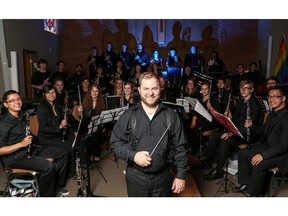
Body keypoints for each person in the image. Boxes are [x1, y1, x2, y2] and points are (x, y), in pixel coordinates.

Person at [110, 72, 189, 197]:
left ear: (160, 88)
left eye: (154, 88)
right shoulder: (129, 116)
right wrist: (133, 155)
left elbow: (181, 147)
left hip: (164, 177)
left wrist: (181, 175)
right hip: (136, 178)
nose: (150, 93)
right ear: (139, 90)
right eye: (146, 88)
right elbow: (115, 142)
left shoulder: (172, 116)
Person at [0, 90, 69, 197]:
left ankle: (56, 187)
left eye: (18, 99)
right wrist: (21, 144)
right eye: (12, 101)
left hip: (30, 150)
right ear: (5, 104)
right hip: (16, 158)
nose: (17, 102)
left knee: (63, 153)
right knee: (48, 166)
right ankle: (47, 196)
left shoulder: (22, 114)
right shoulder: (4, 124)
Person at [233, 85, 288, 196]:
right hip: (268, 146)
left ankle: (255, 194)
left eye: (275, 97)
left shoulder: (286, 117)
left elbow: (284, 146)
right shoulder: (272, 114)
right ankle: (246, 183)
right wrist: (251, 126)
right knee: (243, 154)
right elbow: (264, 131)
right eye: (270, 97)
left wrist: (263, 155)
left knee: (258, 164)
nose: (271, 99)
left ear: (284, 98)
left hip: (282, 154)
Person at [203, 79, 263, 180]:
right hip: (238, 131)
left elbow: (249, 128)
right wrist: (230, 118)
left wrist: (231, 133)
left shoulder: (255, 105)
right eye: (241, 88)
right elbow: (236, 119)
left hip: (248, 135)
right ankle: (207, 162)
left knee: (225, 141)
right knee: (216, 135)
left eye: (246, 88)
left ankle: (218, 170)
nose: (243, 90)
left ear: (251, 90)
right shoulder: (241, 102)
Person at [37, 84, 76, 178]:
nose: (51, 94)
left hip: (56, 134)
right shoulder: (42, 107)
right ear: (44, 94)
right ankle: (71, 172)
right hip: (46, 138)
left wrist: (73, 131)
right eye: (48, 92)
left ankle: (76, 166)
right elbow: (43, 128)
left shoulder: (55, 105)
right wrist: (59, 126)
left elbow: (61, 122)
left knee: (75, 138)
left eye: (53, 92)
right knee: (69, 145)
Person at [78, 84, 106, 163]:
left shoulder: (101, 102)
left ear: (98, 93)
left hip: (97, 124)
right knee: (87, 132)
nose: (94, 93)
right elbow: (82, 118)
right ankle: (90, 154)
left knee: (94, 132)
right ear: (90, 92)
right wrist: (80, 112)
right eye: (92, 91)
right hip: (87, 123)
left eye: (96, 91)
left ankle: (95, 153)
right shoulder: (85, 101)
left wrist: (99, 124)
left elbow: (103, 117)